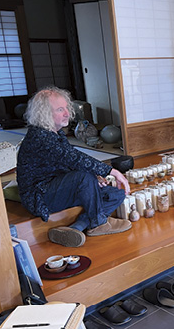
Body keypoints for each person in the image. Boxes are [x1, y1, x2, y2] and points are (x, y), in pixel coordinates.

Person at [16, 86, 132, 248]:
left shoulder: (56, 133)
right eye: (60, 109)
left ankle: (76, 228)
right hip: (40, 195)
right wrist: (111, 171)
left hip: (58, 187)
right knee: (84, 177)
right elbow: (73, 158)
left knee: (115, 194)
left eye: (67, 108)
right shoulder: (39, 136)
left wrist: (96, 178)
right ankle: (98, 223)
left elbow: (69, 161)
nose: (67, 114)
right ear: (44, 113)